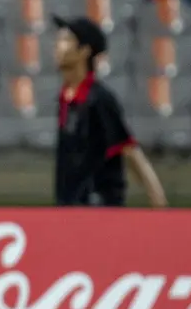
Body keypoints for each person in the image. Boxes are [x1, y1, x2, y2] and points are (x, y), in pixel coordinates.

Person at [52, 16, 168, 208]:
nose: (56, 46)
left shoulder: (99, 100)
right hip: (69, 209)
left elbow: (130, 151)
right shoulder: (66, 97)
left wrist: (158, 201)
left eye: (65, 41)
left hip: (98, 209)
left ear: (84, 51)